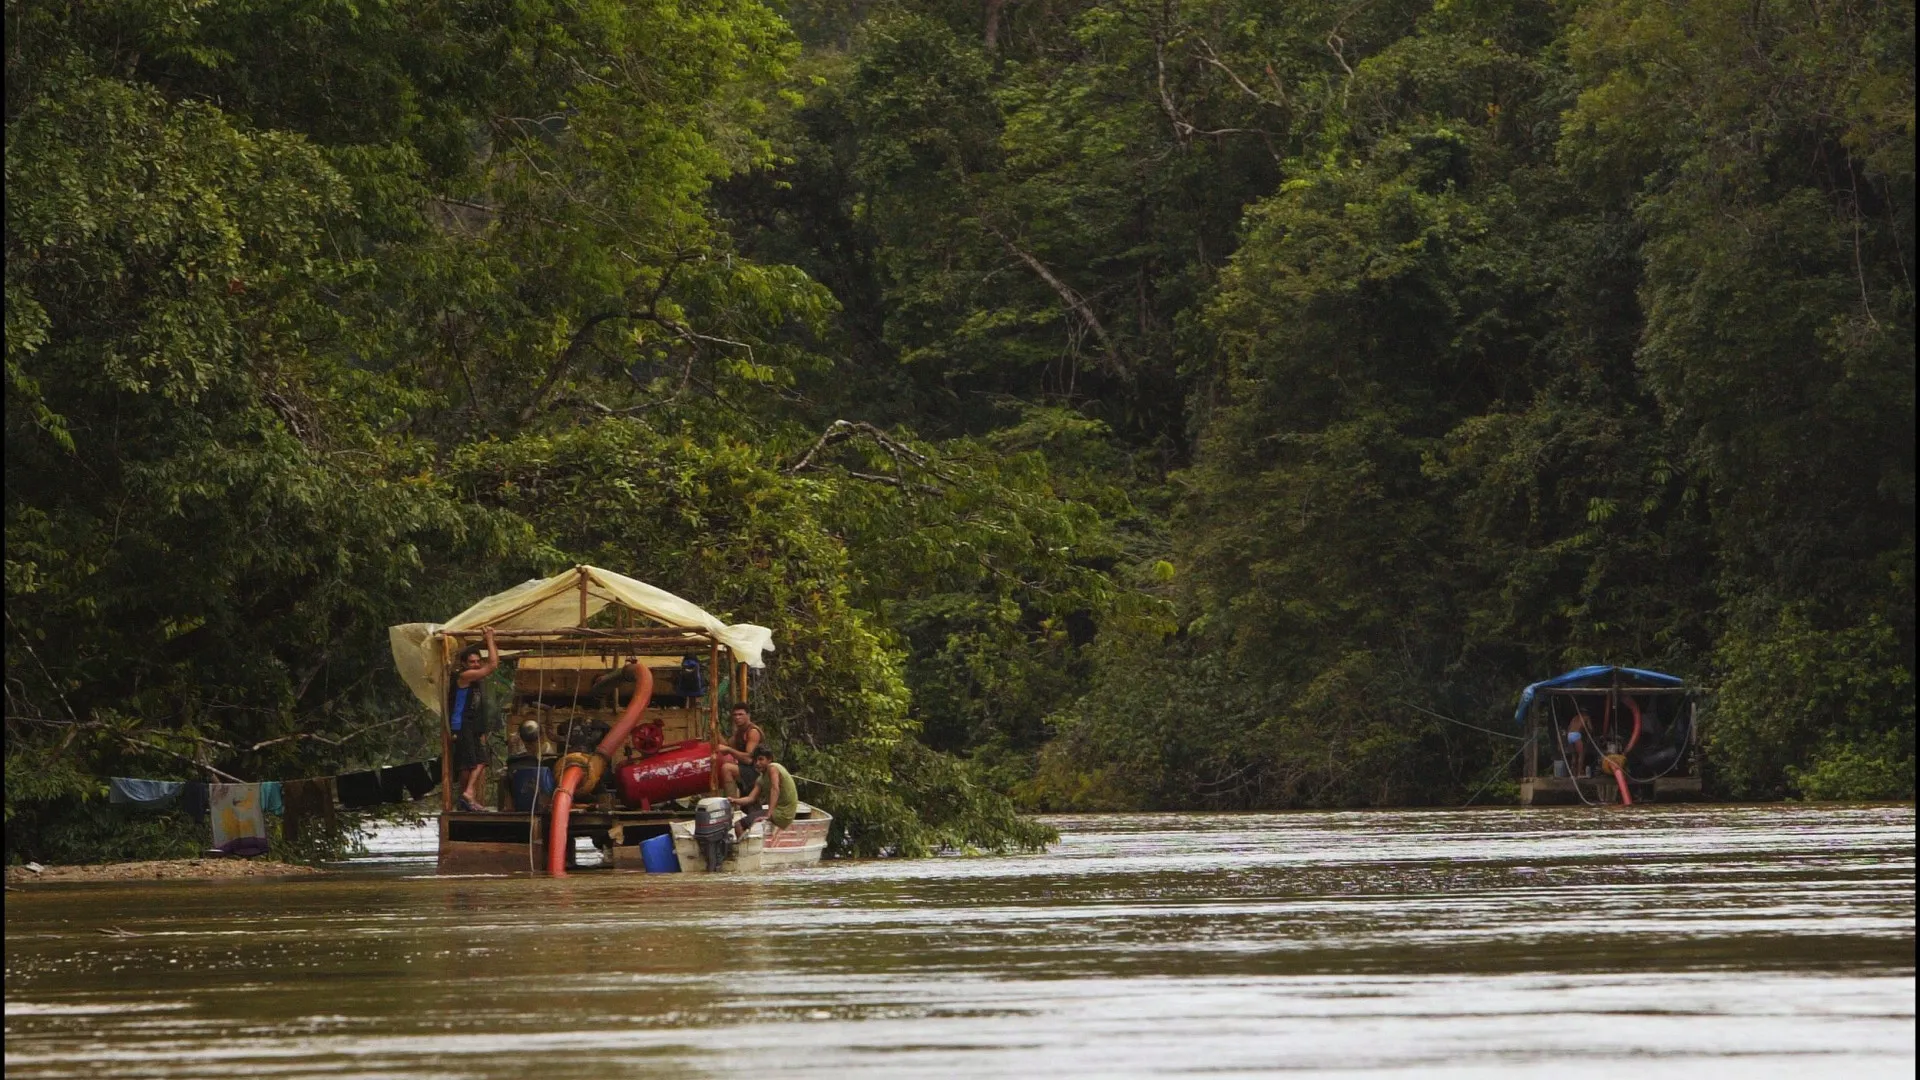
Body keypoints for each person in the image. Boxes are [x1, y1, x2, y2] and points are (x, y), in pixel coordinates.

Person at [449, 627, 499, 812]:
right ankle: (467, 796)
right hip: (461, 724)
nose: (476, 665)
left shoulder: (475, 679)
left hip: (472, 725)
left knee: (479, 761)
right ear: (464, 664)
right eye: (472, 662)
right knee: (468, 764)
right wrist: (490, 639)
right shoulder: (464, 676)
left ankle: (468, 796)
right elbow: (493, 665)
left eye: (478, 661)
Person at [730, 745, 797, 839]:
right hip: (778, 813)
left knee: (738, 825)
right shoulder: (760, 779)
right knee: (746, 821)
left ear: (769, 759)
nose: (757, 763)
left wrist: (769, 814)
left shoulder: (772, 767)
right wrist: (734, 800)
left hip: (783, 814)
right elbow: (750, 798)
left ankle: (743, 852)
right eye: (756, 760)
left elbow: (775, 789)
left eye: (761, 759)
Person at [716, 704, 762, 799]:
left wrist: (729, 749)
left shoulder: (753, 732)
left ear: (748, 715)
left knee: (727, 768)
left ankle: (732, 803)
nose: (737, 717)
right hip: (746, 769)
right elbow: (726, 749)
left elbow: (749, 759)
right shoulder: (738, 733)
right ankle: (736, 800)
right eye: (735, 715)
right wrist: (716, 732)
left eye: (740, 714)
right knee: (726, 765)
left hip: (757, 770)